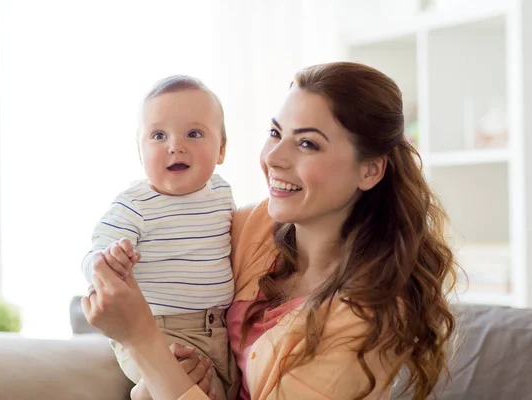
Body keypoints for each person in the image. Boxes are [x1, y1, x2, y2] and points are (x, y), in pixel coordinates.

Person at [82, 61, 457, 400]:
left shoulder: (365, 319)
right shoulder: (253, 229)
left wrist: (143, 342)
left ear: (370, 170)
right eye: (275, 133)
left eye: (307, 143)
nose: (274, 158)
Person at [81, 75, 238, 400]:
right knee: (194, 388)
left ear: (221, 149)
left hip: (218, 328)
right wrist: (107, 261)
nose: (175, 145)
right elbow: (93, 256)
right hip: (158, 328)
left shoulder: (222, 194)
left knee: (221, 392)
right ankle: (144, 393)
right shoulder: (135, 205)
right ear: (139, 152)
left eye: (194, 133)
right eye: (158, 135)